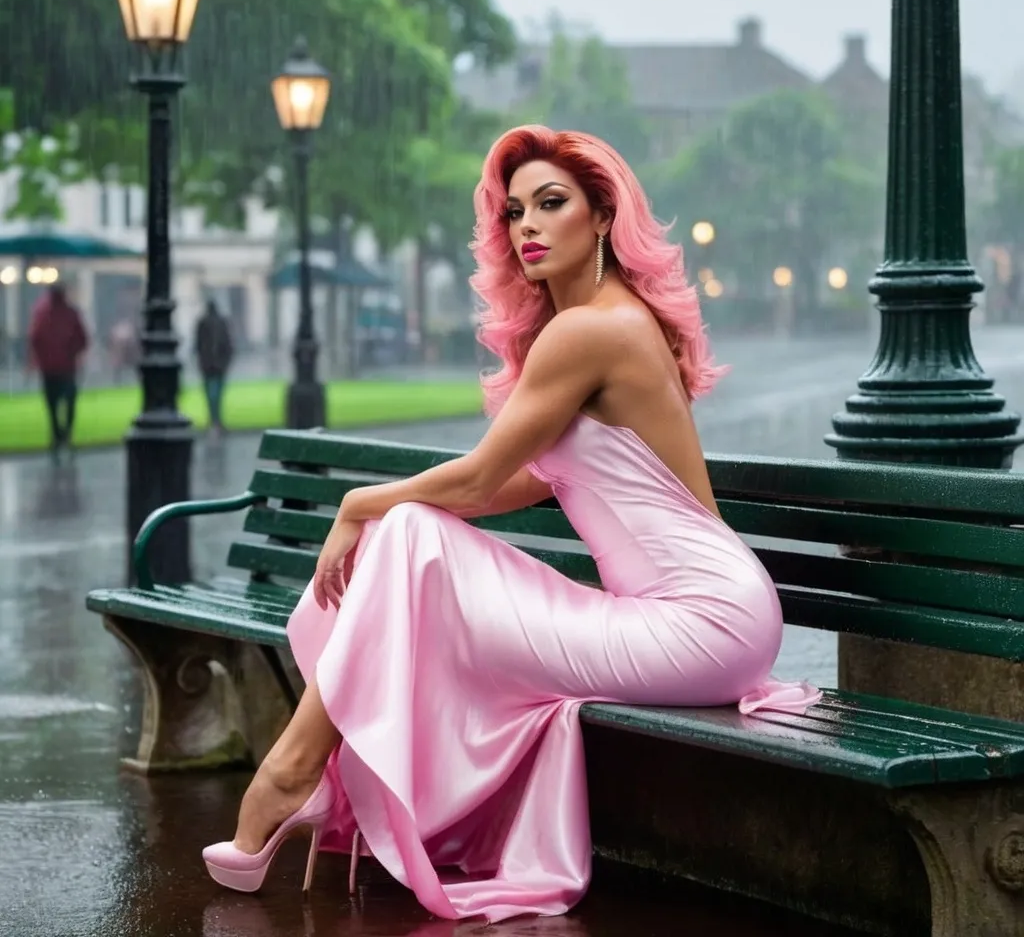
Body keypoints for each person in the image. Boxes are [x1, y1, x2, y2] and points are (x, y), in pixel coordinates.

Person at [202, 126, 821, 921]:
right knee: (410, 536)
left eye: (551, 204)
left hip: (702, 620)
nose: (526, 224)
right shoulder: (595, 325)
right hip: (696, 617)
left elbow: (480, 477)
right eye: (514, 211)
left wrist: (357, 504)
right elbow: (520, 485)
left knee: (405, 532)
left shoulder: (593, 327)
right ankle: (306, 773)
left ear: (602, 216)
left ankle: (295, 771)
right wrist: (387, 515)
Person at [27, 282, 88, 459]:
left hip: (51, 368)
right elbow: (82, 339)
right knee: (67, 402)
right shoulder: (68, 313)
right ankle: (63, 434)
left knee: (53, 404)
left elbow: (35, 338)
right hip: (64, 367)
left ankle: (58, 435)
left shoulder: (42, 312)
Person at [194, 299, 234, 434]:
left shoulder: (202, 323)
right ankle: (216, 421)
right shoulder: (221, 322)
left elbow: (198, 345)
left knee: (211, 395)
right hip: (218, 366)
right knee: (216, 395)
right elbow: (228, 344)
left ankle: (214, 421)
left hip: (209, 366)